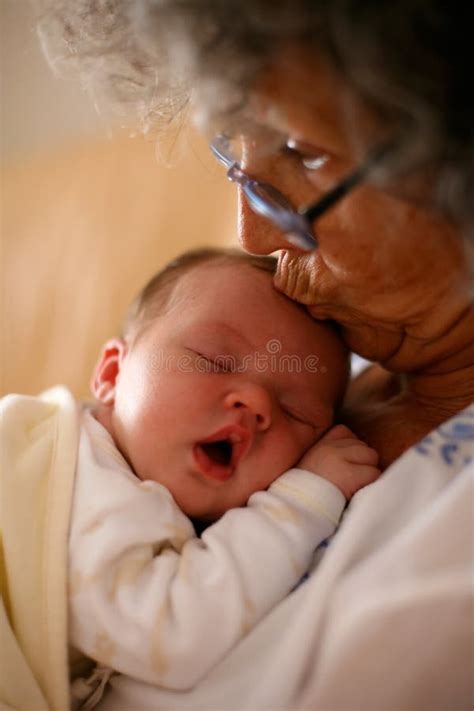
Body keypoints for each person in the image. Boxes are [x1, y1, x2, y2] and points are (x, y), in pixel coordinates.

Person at [32, 2, 474, 709]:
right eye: (233, 152)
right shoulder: (303, 343)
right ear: (109, 372)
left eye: (301, 152)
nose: (254, 235)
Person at [1, 248, 380, 710]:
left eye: (293, 412)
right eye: (214, 361)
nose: (256, 402)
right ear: (113, 374)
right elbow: (171, 634)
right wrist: (302, 501)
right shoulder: (86, 479)